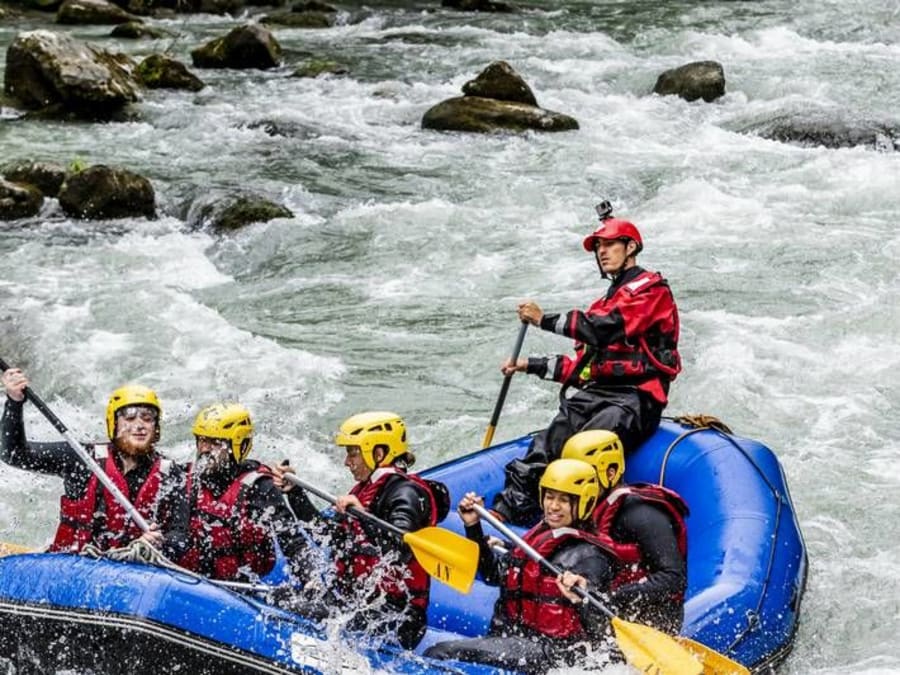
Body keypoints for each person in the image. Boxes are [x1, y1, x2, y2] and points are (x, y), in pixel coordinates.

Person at [491, 202, 681, 525]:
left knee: (585, 448)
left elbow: (602, 327)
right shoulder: (603, 303)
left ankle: (576, 528)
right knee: (548, 442)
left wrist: (542, 320)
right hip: (598, 393)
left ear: (631, 247)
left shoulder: (651, 291)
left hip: (636, 399)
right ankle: (506, 515)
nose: (602, 252)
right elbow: (582, 369)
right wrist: (528, 365)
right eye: (599, 248)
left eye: (609, 245)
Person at [424, 459, 620, 673]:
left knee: (440, 652)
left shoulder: (591, 556)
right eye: (549, 496)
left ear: (585, 502)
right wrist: (473, 527)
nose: (553, 506)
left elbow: (602, 624)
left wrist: (581, 597)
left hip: (553, 652)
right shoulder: (541, 535)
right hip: (515, 638)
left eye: (563, 500)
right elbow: (493, 575)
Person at [274, 411, 442, 650]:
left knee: (296, 607)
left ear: (379, 453)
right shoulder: (365, 489)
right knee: (282, 596)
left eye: (353, 452)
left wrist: (364, 517)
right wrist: (295, 494)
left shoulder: (408, 494)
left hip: (398, 617)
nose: (347, 461)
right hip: (360, 604)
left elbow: (400, 548)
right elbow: (329, 536)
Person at [0, 367, 188, 559]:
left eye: (148, 419)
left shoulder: (170, 473)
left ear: (156, 428)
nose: (139, 425)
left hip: (135, 572)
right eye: (129, 417)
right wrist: (14, 403)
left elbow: (180, 536)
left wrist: (159, 543)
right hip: (73, 564)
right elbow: (14, 454)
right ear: (114, 424)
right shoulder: (82, 458)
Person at [561, 429, 688, 635]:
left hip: (648, 620)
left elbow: (673, 579)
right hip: (602, 607)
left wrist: (611, 597)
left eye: (584, 475)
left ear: (609, 473)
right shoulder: (585, 508)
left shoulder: (642, 513)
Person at [177, 402, 313, 582]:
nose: (204, 449)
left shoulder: (260, 488)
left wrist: (312, 583)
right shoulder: (185, 478)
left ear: (237, 445)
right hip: (190, 581)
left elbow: (292, 542)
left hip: (242, 588)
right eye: (201, 440)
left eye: (213, 442)